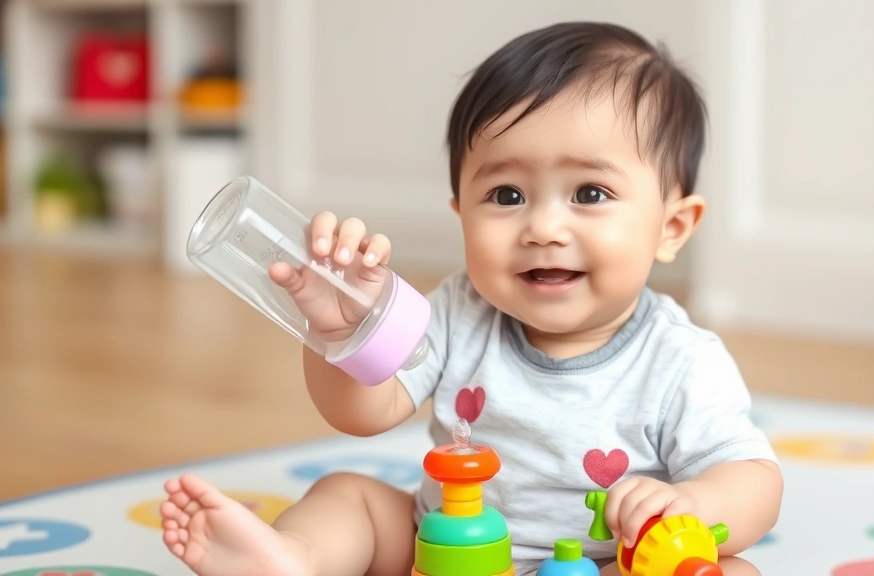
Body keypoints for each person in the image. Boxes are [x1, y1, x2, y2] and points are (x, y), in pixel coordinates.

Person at [158, 21, 783, 576]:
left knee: (734, 566)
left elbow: (753, 479)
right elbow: (364, 413)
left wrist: (695, 503)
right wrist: (339, 328)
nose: (543, 227)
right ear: (462, 213)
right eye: (507, 196)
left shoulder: (681, 359)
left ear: (670, 227)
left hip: (608, 561)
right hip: (444, 551)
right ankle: (293, 560)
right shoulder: (459, 312)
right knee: (350, 496)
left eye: (589, 193)